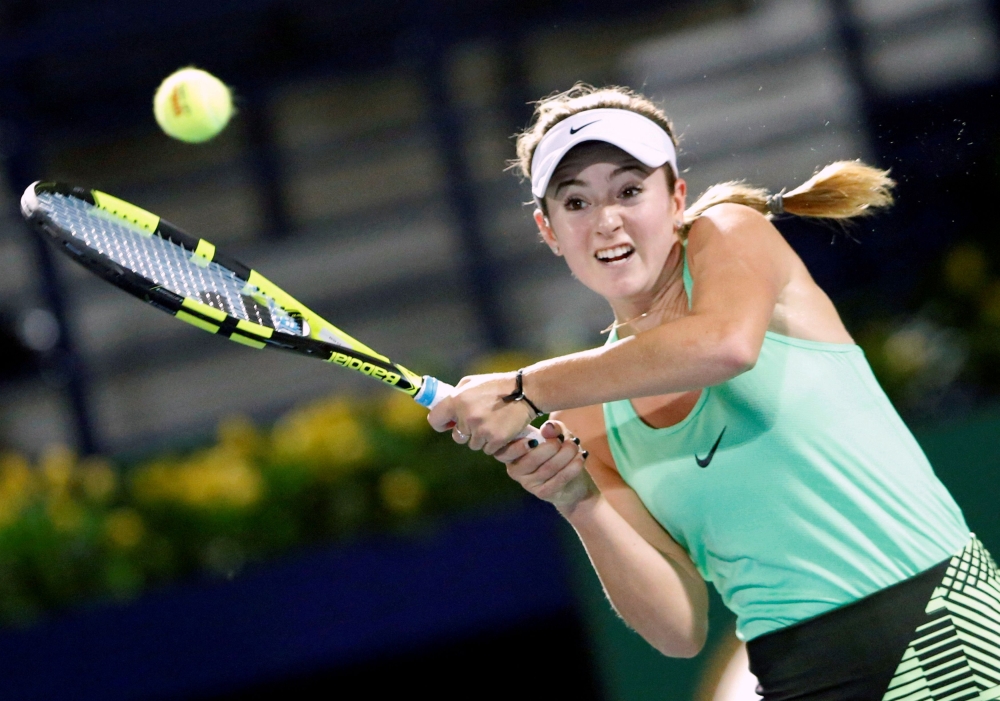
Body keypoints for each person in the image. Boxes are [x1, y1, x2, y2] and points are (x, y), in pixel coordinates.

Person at [428, 85, 1000, 699]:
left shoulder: (731, 231)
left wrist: (524, 385)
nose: (607, 220)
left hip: (945, 621)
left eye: (629, 190)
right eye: (576, 202)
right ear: (549, 230)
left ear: (676, 196)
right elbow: (679, 629)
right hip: (801, 676)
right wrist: (578, 500)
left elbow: (724, 346)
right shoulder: (585, 411)